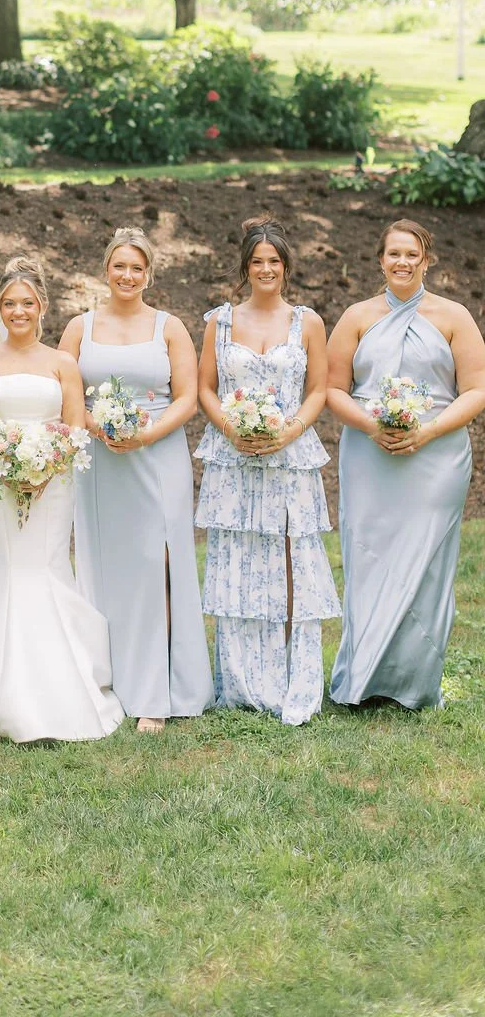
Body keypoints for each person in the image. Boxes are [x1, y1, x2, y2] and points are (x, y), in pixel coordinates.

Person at [0, 256, 124, 742]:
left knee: (43, 568)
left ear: (42, 306)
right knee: (0, 571)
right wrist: (1, 465)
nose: (18, 311)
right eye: (9, 303)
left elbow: (74, 425)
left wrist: (45, 469)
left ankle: (54, 690)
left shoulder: (62, 363)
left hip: (53, 485)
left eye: (27, 303)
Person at [327, 218, 485, 710]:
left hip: (436, 458)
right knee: (368, 561)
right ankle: (363, 681)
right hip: (367, 456)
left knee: (426, 566)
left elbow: (476, 390)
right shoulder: (356, 316)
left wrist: (429, 430)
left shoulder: (454, 316)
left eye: (412, 254)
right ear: (380, 260)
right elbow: (333, 389)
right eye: (394, 253)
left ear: (426, 260)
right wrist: (372, 426)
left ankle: (414, 685)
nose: (402, 262)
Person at [60, 228, 212, 732]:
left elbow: (187, 398)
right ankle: (107, 678)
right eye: (119, 266)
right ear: (106, 270)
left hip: (158, 454)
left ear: (149, 274)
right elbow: (65, 392)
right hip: (100, 460)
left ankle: (156, 691)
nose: (127, 275)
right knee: (106, 564)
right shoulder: (79, 327)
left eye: (137, 268)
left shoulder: (170, 327)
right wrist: (94, 426)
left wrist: (145, 434)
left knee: (157, 563)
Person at [196, 218, 339, 725]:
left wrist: (290, 430)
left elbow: (319, 389)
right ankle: (241, 682)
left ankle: (293, 680)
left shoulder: (307, 322)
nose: (265, 269)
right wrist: (231, 429)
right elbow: (205, 388)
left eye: (274, 261)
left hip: (289, 458)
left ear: (286, 266)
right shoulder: (220, 322)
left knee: (290, 559)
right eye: (257, 261)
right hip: (231, 457)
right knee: (237, 559)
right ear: (245, 267)